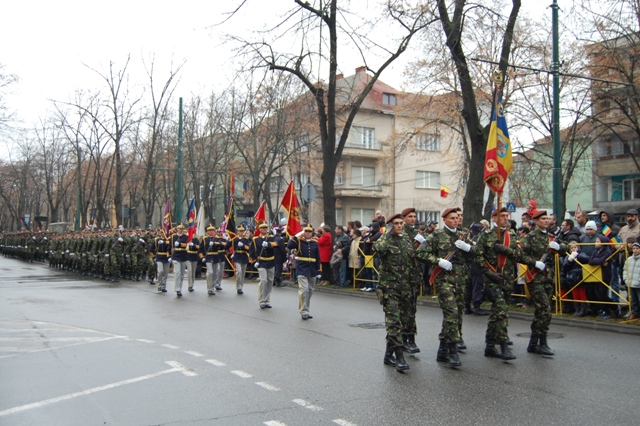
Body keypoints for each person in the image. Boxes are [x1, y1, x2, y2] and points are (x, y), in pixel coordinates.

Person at [416, 208, 477, 368]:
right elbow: (420, 253)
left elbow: (477, 254)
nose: (456, 220)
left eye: (457, 217)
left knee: (457, 316)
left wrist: (468, 248)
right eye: (452, 218)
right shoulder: (436, 235)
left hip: (461, 280)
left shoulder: (463, 235)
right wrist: (438, 261)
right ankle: (452, 350)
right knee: (451, 314)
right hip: (444, 280)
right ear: (445, 220)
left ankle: (442, 350)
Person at [519, 210, 567, 356]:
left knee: (542, 311)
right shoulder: (530, 237)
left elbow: (566, 248)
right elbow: (519, 254)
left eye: (548, 218)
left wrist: (559, 247)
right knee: (545, 309)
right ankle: (542, 342)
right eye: (543, 218)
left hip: (548, 277)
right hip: (536, 278)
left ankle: (535, 343)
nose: (547, 221)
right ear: (536, 220)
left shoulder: (551, 237)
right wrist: (535, 263)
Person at [477, 207, 522, 360]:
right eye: (501, 216)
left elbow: (519, 255)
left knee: (497, 313)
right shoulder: (486, 236)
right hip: (492, 280)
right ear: (494, 218)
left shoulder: (512, 236)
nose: (505, 218)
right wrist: (489, 273)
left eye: (506, 216)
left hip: (507, 280)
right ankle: (503, 345)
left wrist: (505, 250)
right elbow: (478, 258)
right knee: (501, 310)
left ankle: (490, 345)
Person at [373, 213, 415, 372]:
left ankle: (388, 355)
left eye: (400, 223)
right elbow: (376, 248)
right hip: (389, 288)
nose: (399, 226)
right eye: (396, 224)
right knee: (394, 322)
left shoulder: (405, 240)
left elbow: (411, 262)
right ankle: (399, 357)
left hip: (405, 288)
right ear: (391, 225)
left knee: (402, 322)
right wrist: (387, 234)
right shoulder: (385, 240)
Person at [400, 207, 423, 354]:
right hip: (402, 277)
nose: (413, 219)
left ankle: (411, 338)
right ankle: (403, 339)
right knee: (404, 310)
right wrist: (415, 244)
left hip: (414, 276)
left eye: (414, 216)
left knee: (412, 310)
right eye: (410, 216)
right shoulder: (401, 233)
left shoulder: (417, 233)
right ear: (403, 218)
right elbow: (405, 253)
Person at [288, 225, 320, 319]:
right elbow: (289, 245)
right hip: (302, 268)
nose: (307, 233)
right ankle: (303, 311)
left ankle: (306, 308)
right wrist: (296, 236)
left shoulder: (315, 242)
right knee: (304, 290)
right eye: (306, 231)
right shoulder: (299, 241)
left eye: (309, 232)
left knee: (310, 290)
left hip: (312, 268)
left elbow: (317, 256)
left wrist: (318, 268)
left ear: (312, 233)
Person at [250, 222, 278, 309]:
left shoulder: (271, 238)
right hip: (261, 262)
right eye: (263, 228)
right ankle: (261, 300)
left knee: (270, 281)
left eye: (266, 228)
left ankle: (267, 300)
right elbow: (251, 252)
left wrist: (269, 244)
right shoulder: (255, 240)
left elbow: (277, 243)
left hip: (271, 261)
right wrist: (254, 261)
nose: (265, 229)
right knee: (263, 280)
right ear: (260, 229)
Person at [588, 235, 614, 319]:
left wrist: (599, 261)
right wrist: (599, 261)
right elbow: (590, 261)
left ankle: (611, 309)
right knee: (598, 294)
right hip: (597, 275)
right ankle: (605, 309)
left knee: (602, 294)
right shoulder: (596, 251)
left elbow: (601, 260)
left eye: (598, 241)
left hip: (604, 275)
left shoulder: (607, 252)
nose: (595, 243)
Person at [623, 241, 640, 320]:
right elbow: (625, 270)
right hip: (631, 283)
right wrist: (626, 279)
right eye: (634, 248)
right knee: (634, 300)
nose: (635, 250)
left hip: (638, 284)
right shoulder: (629, 259)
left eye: (637, 248)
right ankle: (636, 313)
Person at [171, 224, 188, 297]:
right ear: (177, 229)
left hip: (183, 256)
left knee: (181, 275)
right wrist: (170, 255)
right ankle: (177, 289)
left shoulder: (185, 237)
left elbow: (186, 245)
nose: (180, 230)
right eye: (179, 229)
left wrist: (180, 244)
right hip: (176, 256)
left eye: (182, 229)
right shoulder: (173, 236)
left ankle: (180, 289)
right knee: (177, 273)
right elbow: (171, 247)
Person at [232, 226, 251, 294]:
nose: (241, 232)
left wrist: (243, 245)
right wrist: (230, 253)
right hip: (237, 256)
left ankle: (240, 287)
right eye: (240, 231)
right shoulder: (234, 239)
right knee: (239, 271)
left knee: (242, 273)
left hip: (244, 256)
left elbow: (248, 248)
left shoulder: (246, 239)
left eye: (242, 231)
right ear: (237, 232)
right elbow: (228, 245)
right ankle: (238, 286)